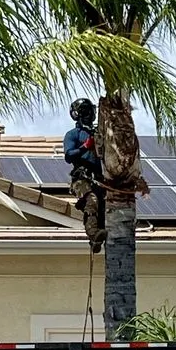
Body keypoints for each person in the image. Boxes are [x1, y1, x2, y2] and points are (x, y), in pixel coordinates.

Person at [63, 98, 107, 253]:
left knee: (105, 207)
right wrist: (85, 146)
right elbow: (69, 156)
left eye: (90, 111)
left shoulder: (99, 134)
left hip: (100, 179)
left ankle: (100, 236)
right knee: (91, 200)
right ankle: (93, 234)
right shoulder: (73, 134)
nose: (88, 115)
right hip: (82, 179)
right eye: (84, 112)